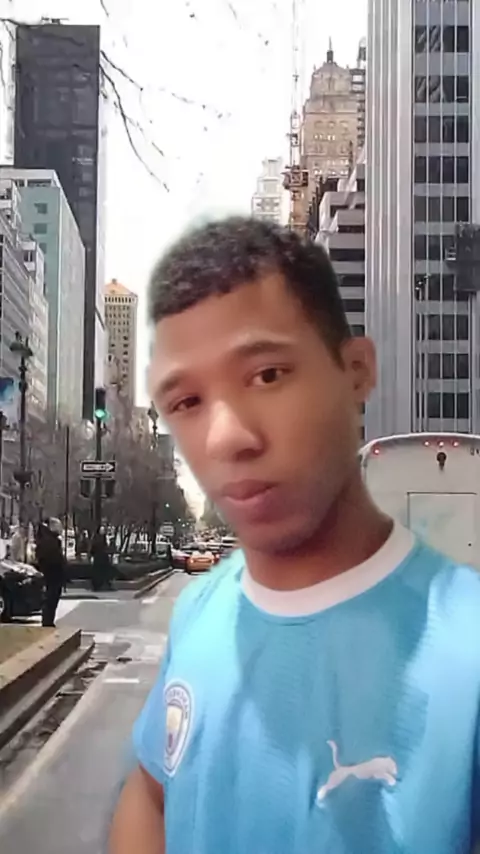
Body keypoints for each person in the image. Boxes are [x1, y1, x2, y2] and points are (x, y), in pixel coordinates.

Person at [110, 217, 480, 854]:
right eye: (187, 402)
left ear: (356, 370)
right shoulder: (198, 612)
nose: (227, 437)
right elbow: (152, 792)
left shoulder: (468, 648)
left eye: (268, 375)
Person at [37, 518, 66, 628]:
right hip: (52, 574)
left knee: (52, 599)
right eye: (59, 526)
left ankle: (49, 621)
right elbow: (49, 558)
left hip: (53, 574)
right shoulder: (49, 541)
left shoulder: (51, 539)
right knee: (51, 599)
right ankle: (47, 622)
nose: (61, 529)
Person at [90, 525, 112, 591]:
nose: (102, 531)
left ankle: (105, 584)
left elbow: (106, 547)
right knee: (97, 572)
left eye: (103, 530)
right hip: (98, 556)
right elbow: (93, 547)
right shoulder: (96, 538)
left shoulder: (105, 537)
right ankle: (97, 585)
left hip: (103, 557)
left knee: (105, 571)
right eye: (101, 530)